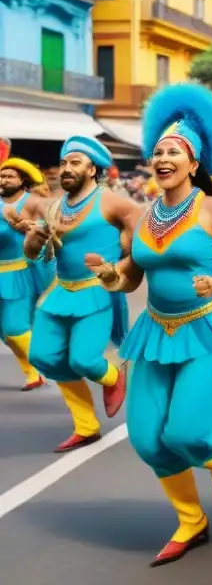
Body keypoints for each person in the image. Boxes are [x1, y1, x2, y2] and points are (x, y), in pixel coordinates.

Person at [87, 82, 212, 565]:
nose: (163, 158)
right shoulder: (143, 217)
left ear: (193, 164)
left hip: (205, 329)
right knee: (147, 438)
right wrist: (111, 274)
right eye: (158, 151)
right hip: (155, 332)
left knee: (189, 434)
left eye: (174, 152)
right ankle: (191, 520)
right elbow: (131, 277)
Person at [22, 136, 139, 452]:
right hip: (61, 292)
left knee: (84, 360)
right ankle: (86, 425)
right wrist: (37, 236)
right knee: (42, 356)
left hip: (96, 293)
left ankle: (113, 376)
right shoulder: (54, 207)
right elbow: (33, 253)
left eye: (75, 162)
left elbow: (141, 245)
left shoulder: (114, 202)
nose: (66, 169)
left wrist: (119, 268)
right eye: (63, 163)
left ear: (92, 168)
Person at [0, 156, 50, 391]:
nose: (4, 179)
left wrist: (32, 227)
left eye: (10, 176)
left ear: (23, 180)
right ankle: (33, 373)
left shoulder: (32, 201)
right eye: (1, 175)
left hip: (18, 273)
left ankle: (45, 366)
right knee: (5, 333)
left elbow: (53, 222)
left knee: (15, 328)